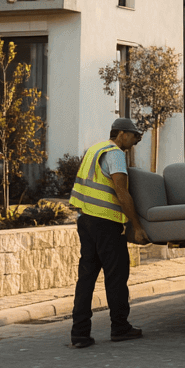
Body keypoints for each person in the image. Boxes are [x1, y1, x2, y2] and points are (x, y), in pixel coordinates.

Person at [68, 117, 148, 349]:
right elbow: (121, 192)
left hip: (86, 221)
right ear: (122, 134)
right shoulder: (114, 154)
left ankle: (80, 334)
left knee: (86, 278)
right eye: (134, 136)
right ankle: (120, 327)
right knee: (116, 276)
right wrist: (137, 225)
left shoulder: (93, 149)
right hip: (106, 224)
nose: (135, 142)